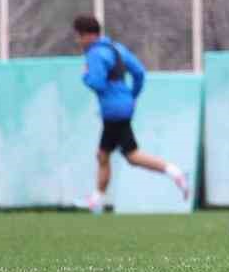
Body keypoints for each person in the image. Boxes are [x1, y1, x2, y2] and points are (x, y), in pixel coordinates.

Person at [74, 14, 188, 212]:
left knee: (130, 156)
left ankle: (174, 172)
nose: (78, 41)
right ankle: (97, 199)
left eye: (79, 36)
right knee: (105, 154)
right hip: (123, 106)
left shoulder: (94, 54)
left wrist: (85, 76)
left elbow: (97, 83)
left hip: (113, 111)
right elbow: (139, 72)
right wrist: (132, 95)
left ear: (88, 36)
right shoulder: (116, 48)